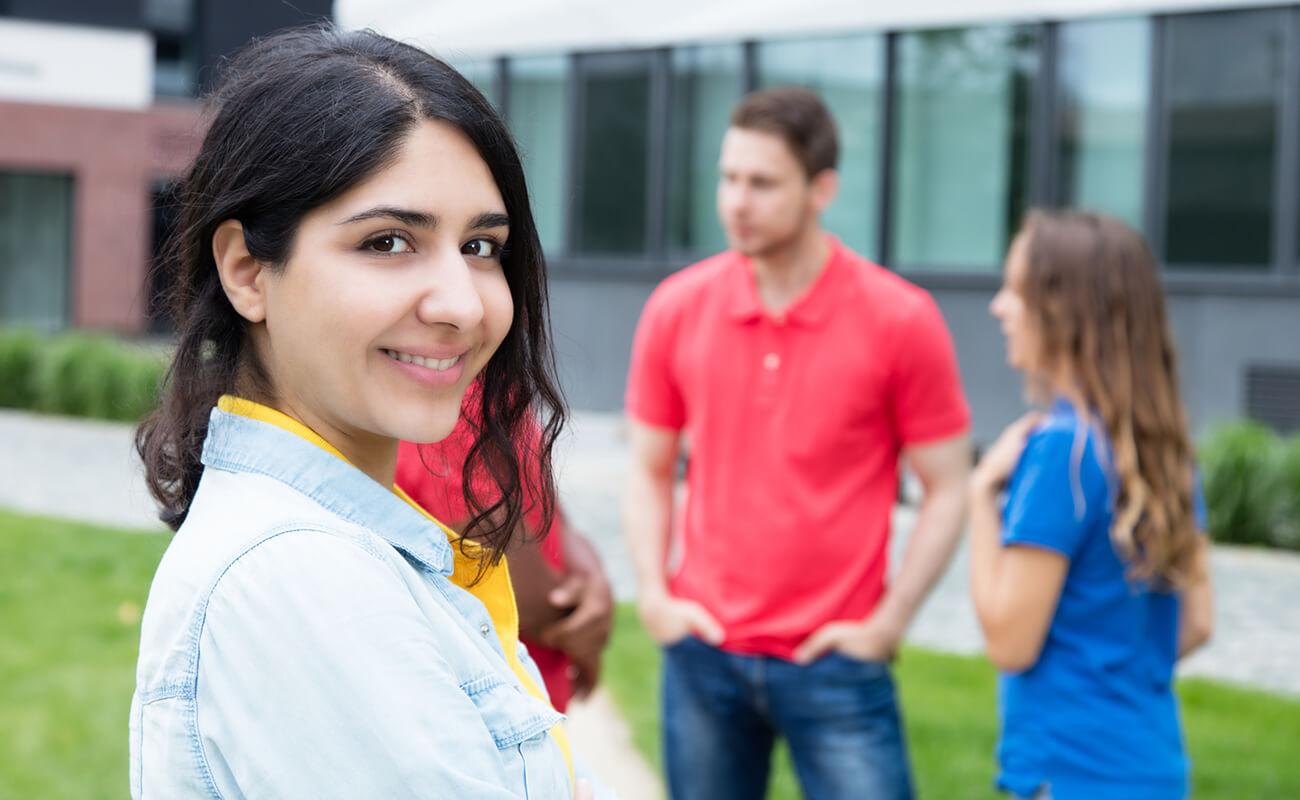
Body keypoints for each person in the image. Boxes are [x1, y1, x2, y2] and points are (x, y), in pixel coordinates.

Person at [130, 26, 606, 798]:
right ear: (247, 271)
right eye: (388, 242)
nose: (461, 305)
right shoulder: (301, 579)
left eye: (481, 247)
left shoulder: (358, 547)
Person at [623, 86, 973, 800]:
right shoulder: (676, 308)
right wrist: (655, 596)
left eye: (762, 183)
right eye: (728, 178)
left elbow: (949, 486)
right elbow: (649, 467)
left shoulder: (901, 319)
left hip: (837, 662)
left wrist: (889, 623)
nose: (737, 202)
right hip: (704, 653)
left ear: (822, 190)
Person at [969, 210, 1215, 800]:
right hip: (1154, 767)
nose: (999, 308)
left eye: (1015, 291)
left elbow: (1009, 644)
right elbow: (1196, 624)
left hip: (1070, 773)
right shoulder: (1164, 453)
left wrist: (980, 499)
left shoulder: (1063, 451)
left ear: (1063, 310)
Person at [395, 398, 614, 712]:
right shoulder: (450, 396)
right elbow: (507, 572)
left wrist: (587, 569)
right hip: (496, 704)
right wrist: (584, 631)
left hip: (519, 691)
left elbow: (537, 487)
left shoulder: (492, 385)